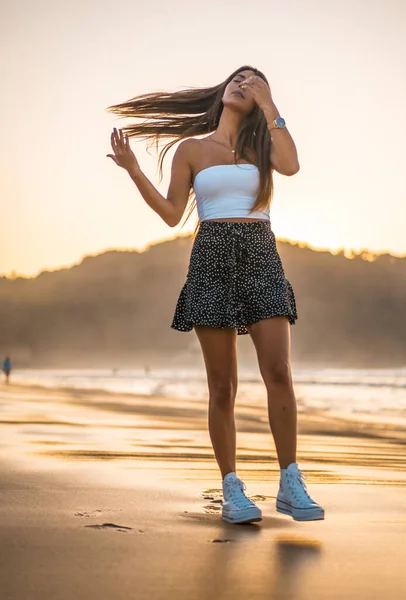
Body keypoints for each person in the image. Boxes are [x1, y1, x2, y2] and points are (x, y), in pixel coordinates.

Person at [106, 65, 325, 524]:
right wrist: (132, 170)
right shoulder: (192, 149)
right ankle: (232, 488)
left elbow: (292, 165)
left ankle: (290, 480)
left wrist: (270, 107)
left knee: (279, 372)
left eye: (253, 82)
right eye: (237, 79)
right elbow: (170, 214)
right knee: (222, 386)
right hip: (211, 257)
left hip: (261, 254)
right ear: (223, 90)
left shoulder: (264, 147)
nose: (241, 85)